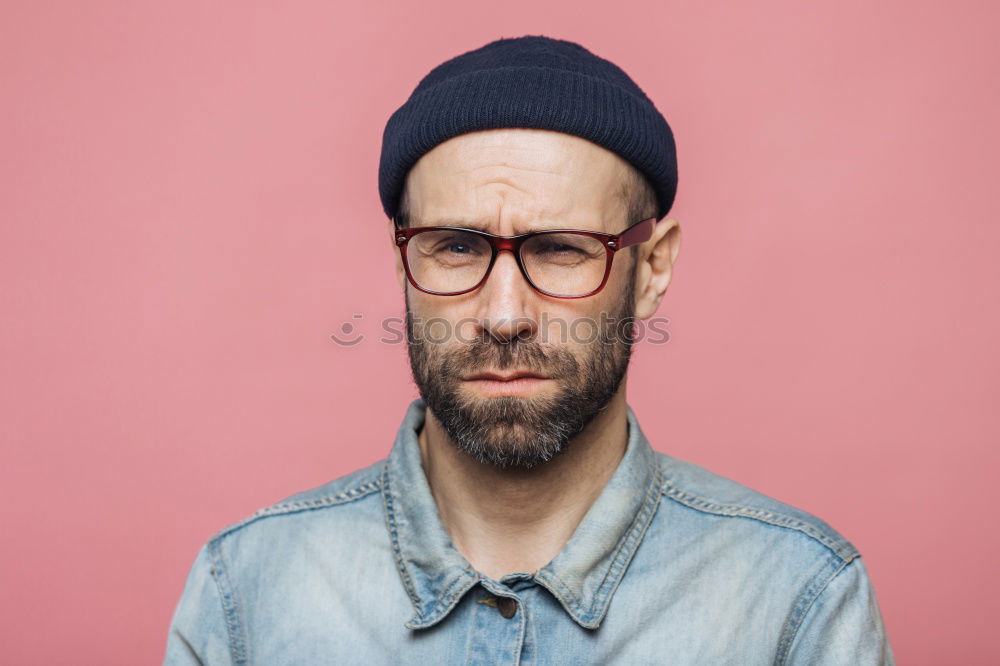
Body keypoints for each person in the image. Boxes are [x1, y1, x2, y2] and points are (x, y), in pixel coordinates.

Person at [164, 35, 894, 665]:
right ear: (400, 266)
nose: (504, 315)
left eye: (560, 250)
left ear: (654, 269)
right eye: (454, 247)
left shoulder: (797, 600)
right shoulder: (247, 590)